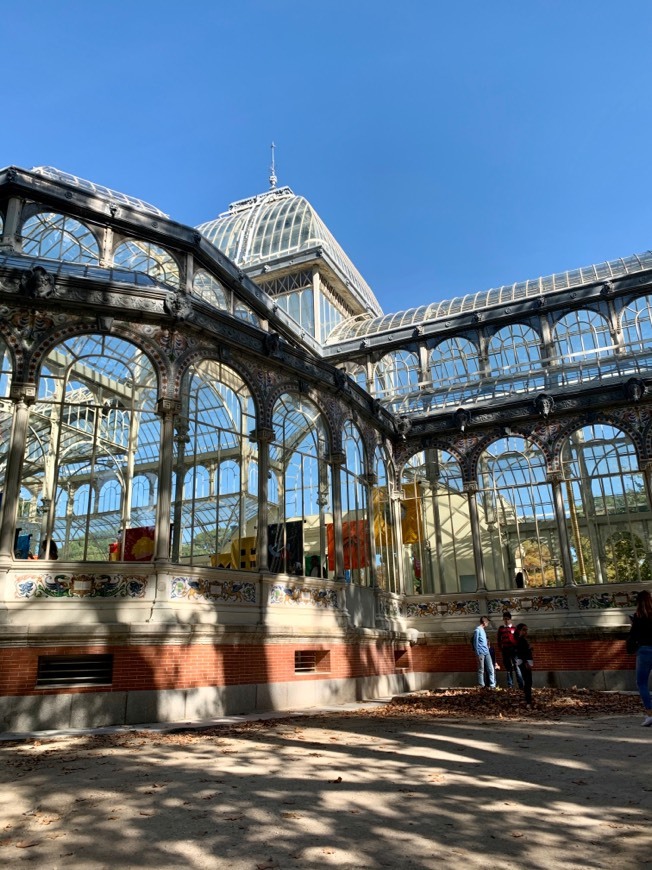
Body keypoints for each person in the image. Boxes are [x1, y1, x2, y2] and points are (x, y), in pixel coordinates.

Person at [626, 590, 652, 727]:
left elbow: (633, 637)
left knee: (642, 683)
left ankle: (650, 713)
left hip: (644, 651)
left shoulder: (638, 617)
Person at [497, 611, 524, 689]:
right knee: (508, 668)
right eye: (504, 619)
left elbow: (518, 639)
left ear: (510, 619)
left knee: (517, 667)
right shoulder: (501, 629)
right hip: (505, 650)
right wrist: (500, 648)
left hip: (514, 650)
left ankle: (521, 685)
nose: (506, 620)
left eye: (507, 619)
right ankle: (510, 685)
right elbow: (499, 640)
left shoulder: (514, 629)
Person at [472, 616, 496, 689]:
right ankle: (481, 684)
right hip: (481, 653)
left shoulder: (483, 630)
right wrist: (477, 653)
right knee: (481, 669)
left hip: (487, 652)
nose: (488, 623)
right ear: (484, 622)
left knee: (491, 668)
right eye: (487, 622)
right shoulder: (477, 630)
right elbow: (475, 642)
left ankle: (492, 685)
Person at [515, 623, 534, 708]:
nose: (526, 632)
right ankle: (528, 701)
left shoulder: (523, 640)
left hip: (524, 661)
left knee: (528, 682)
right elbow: (521, 653)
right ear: (519, 631)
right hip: (524, 662)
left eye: (526, 630)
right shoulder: (520, 640)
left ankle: (528, 700)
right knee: (528, 681)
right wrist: (526, 663)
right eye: (524, 630)